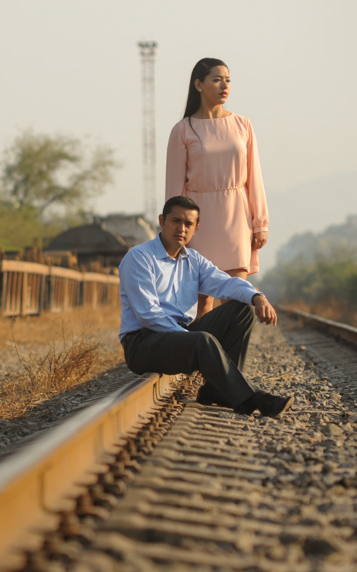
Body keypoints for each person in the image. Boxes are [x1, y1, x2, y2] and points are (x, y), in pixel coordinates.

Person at [119, 196, 292, 417]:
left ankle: (216, 391)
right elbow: (148, 315)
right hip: (142, 343)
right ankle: (254, 398)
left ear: (196, 228)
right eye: (176, 221)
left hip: (179, 336)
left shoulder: (194, 260)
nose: (181, 228)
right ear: (162, 220)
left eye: (188, 224)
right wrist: (189, 338)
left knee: (242, 311)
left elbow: (226, 283)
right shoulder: (140, 257)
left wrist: (257, 296)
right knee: (202, 340)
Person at [166, 58, 269, 318]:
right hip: (198, 222)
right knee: (203, 303)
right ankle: (205, 356)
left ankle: (232, 358)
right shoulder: (183, 130)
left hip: (236, 216)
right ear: (198, 85)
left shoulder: (242, 125)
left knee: (237, 298)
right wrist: (174, 228)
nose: (225, 85)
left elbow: (254, 177)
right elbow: (174, 189)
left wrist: (260, 223)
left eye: (228, 80)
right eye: (217, 79)